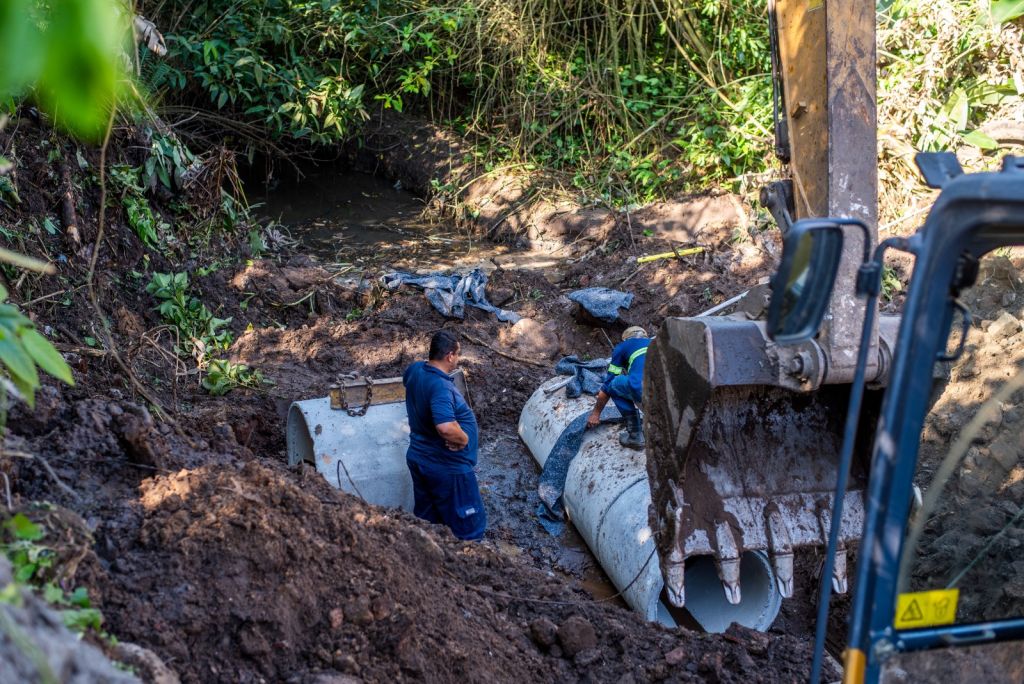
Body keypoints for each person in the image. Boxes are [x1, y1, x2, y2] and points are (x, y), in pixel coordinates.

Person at [403, 329, 487, 540]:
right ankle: (469, 560)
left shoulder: (415, 370)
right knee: (468, 527)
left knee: (428, 519)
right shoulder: (440, 386)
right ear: (450, 355)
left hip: (419, 457)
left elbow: (408, 383)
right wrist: (464, 439)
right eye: (457, 354)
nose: (457, 359)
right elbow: (445, 427)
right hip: (447, 466)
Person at [585, 326, 650, 449]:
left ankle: (635, 436)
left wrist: (596, 413)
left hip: (643, 390)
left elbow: (608, 385)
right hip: (669, 393)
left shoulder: (622, 347)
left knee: (614, 384)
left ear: (626, 339)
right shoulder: (656, 342)